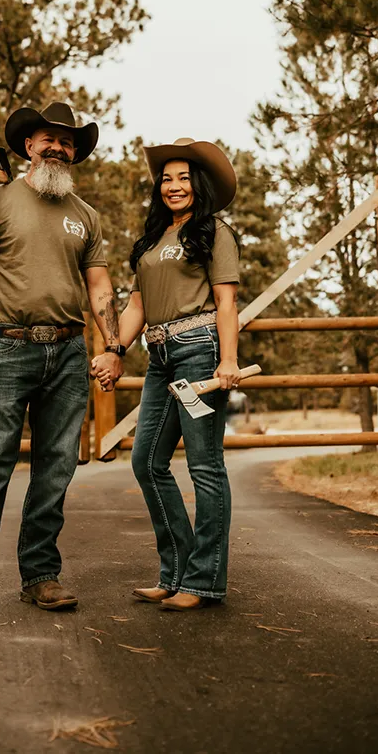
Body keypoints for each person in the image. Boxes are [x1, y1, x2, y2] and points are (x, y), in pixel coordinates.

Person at [0, 101, 124, 623]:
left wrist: (113, 347)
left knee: (56, 469)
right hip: (8, 347)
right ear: (29, 146)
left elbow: (99, 286)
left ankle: (41, 575)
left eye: (68, 142)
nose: (58, 148)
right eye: (50, 139)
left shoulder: (85, 215)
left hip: (68, 352)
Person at [93, 137, 240, 612]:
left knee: (204, 466)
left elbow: (226, 302)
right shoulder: (153, 240)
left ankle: (204, 581)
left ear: (198, 185)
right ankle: (174, 573)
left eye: (183, 178)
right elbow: (137, 305)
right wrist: (115, 349)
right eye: (166, 178)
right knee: (147, 462)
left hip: (199, 353)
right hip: (160, 358)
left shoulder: (213, 232)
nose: (173, 186)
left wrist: (228, 359)